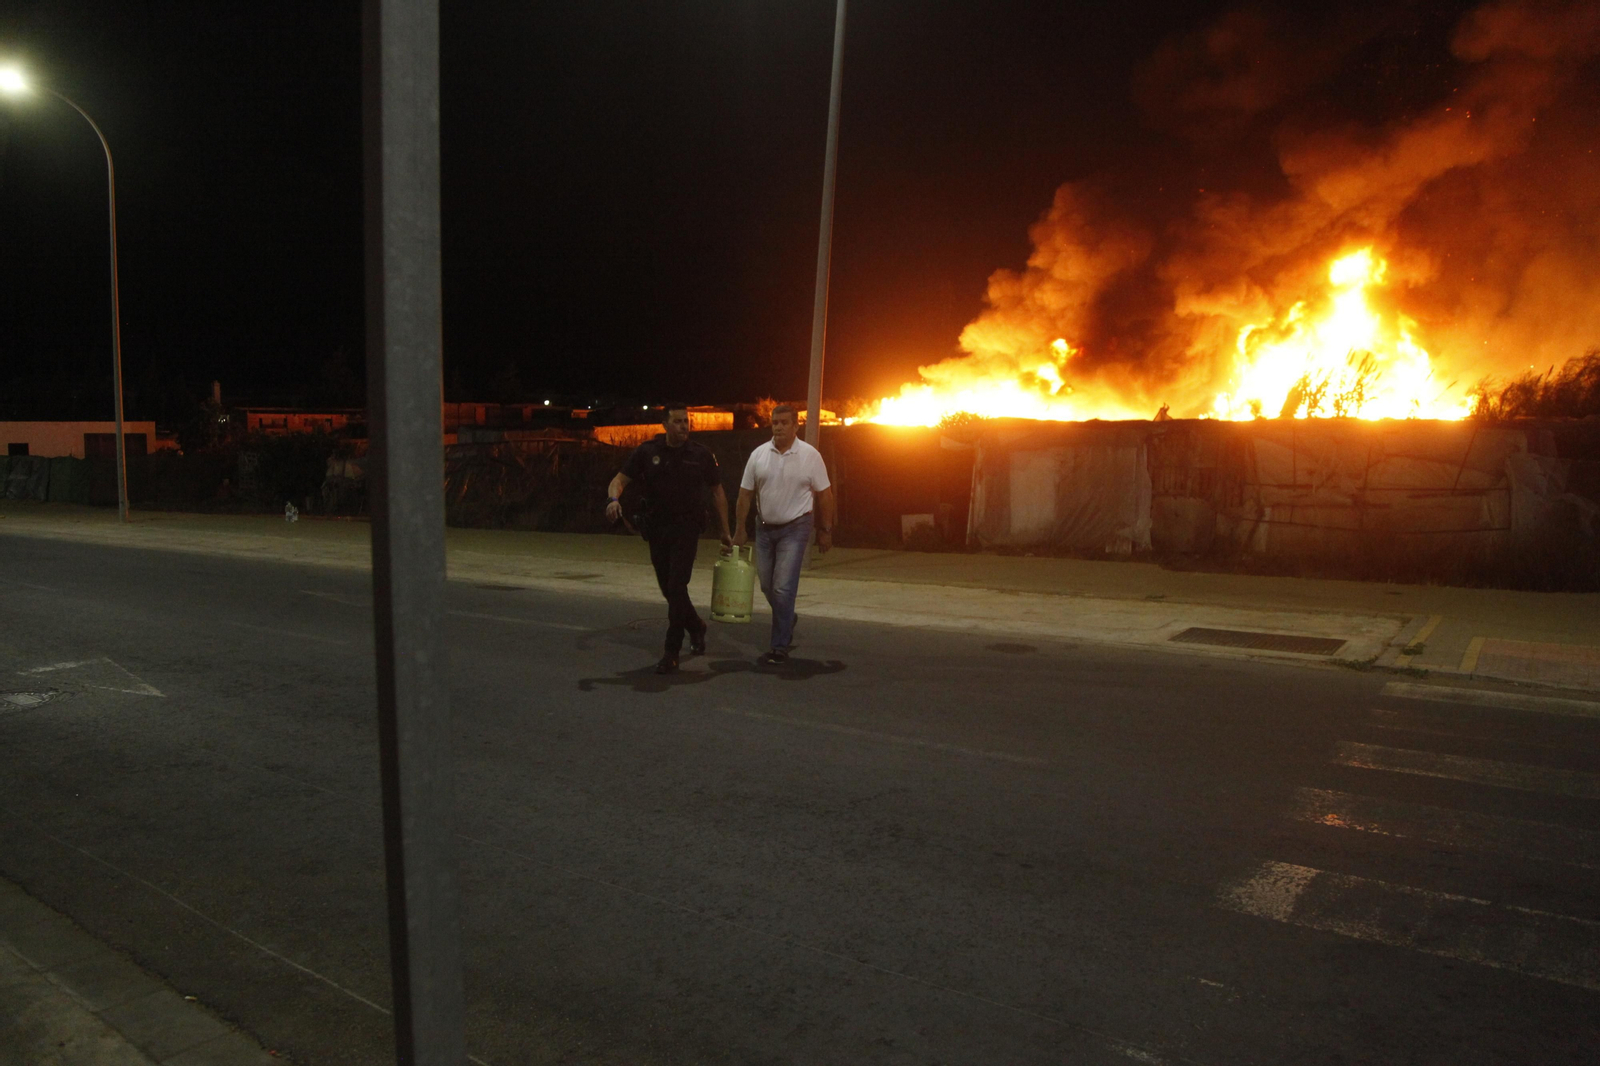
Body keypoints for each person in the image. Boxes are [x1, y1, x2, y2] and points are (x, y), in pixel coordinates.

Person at [606, 404, 732, 674]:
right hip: (657, 529)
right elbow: (618, 480)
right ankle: (696, 625)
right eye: (677, 421)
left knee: (677, 586)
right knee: (669, 589)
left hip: (686, 529)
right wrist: (614, 500)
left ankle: (671, 651)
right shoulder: (647, 452)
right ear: (665, 425)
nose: (684, 426)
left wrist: (725, 530)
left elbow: (717, 492)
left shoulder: (700, 455)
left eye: (687, 421)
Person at [732, 404, 835, 665]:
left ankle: (779, 645)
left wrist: (825, 530)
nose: (777, 427)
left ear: (795, 426)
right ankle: (787, 616)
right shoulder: (758, 455)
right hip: (764, 528)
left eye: (783, 423)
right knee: (767, 585)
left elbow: (825, 495)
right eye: (774, 422)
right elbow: (745, 494)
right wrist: (740, 529)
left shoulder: (810, 456)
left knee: (782, 587)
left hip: (796, 527)